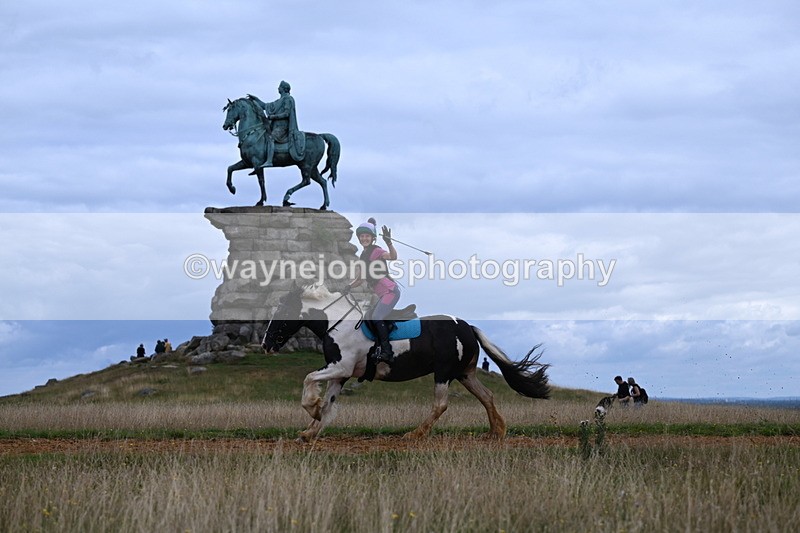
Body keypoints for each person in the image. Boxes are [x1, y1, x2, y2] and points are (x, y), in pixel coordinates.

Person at [345, 217, 399, 363]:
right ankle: (378, 348)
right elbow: (360, 279)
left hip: (390, 291)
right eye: (362, 236)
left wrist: (389, 242)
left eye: (367, 236)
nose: (364, 238)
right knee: (369, 317)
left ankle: (387, 353)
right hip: (383, 295)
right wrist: (349, 286)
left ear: (373, 238)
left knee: (376, 317)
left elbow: (392, 257)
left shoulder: (376, 251)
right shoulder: (363, 256)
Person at [247, 80, 305, 168]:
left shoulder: (288, 99)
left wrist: (273, 117)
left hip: (283, 127)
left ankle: (269, 161)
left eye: (279, 87)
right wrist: (256, 99)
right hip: (275, 126)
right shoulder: (279, 101)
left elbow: (286, 113)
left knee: (270, 138)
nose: (278, 88)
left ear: (284, 89)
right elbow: (265, 106)